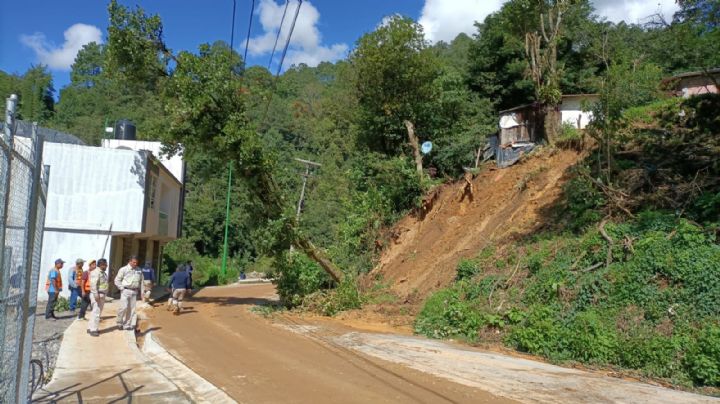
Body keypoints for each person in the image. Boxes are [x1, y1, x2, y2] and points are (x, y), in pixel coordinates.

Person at [114, 255, 143, 331]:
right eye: (134, 262)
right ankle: (119, 322)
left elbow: (141, 282)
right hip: (125, 290)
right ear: (129, 261)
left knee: (131, 309)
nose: (135, 264)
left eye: (136, 262)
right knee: (123, 307)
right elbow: (117, 280)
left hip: (134, 291)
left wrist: (141, 292)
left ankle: (127, 324)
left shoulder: (139, 270)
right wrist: (121, 288)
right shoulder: (123, 269)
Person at [87, 258, 110, 337]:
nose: (106, 266)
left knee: (94, 312)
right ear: (101, 265)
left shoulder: (102, 273)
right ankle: (94, 330)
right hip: (98, 295)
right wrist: (96, 295)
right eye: (105, 264)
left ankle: (90, 327)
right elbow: (93, 285)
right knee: (97, 313)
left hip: (101, 294)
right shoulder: (96, 272)